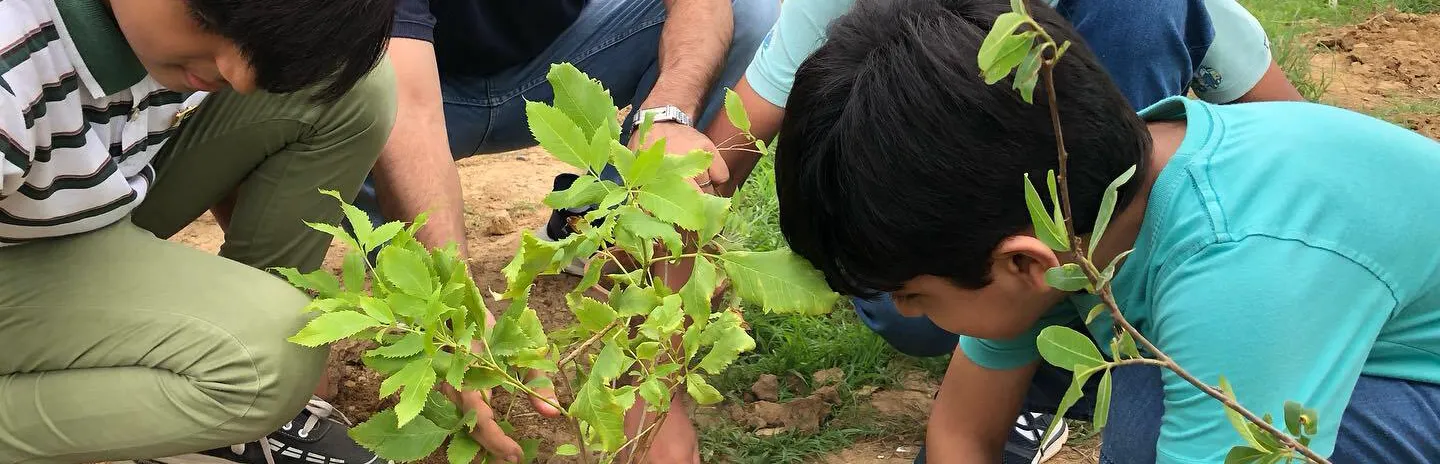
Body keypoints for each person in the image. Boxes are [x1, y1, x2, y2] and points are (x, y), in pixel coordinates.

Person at [772, 0, 1440, 461]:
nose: (911, 313)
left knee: (1146, 417)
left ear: (1024, 265)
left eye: (915, 295)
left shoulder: (1232, 272)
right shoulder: (1071, 208)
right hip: (1371, 349)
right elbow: (961, 433)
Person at [662, 0, 1305, 462]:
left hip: (1191, 271)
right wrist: (652, 395)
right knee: (927, 306)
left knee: (1142, 421)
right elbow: (707, 174)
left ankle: (1073, 352)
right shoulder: (1023, 261)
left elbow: (1294, 138)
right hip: (1032, 248)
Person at [351, 1, 779, 462]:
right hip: (395, 83)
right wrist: (453, 299)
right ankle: (376, 291)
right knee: (331, 88)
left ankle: (610, 248)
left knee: (746, 11)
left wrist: (666, 115)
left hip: (551, 59)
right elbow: (408, 105)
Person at [0, 0, 396, 463]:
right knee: (269, 355)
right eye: (206, 21)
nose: (239, 77)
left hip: (86, 192)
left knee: (341, 84)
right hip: (20, 250)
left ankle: (207, 408)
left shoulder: (165, 36)